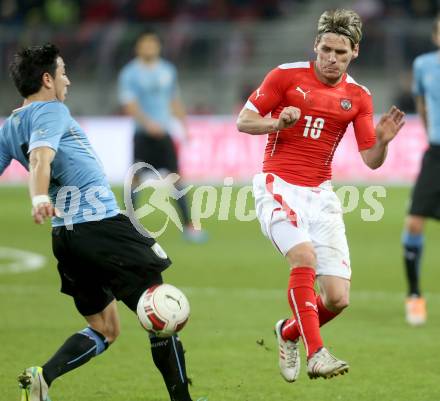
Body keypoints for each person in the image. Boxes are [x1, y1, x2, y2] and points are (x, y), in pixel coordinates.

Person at [0, 44, 194, 401]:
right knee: (160, 305)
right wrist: (40, 196)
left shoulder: (11, 126)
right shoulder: (51, 110)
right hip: (102, 225)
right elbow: (42, 158)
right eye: (62, 73)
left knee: (105, 328)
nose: (68, 81)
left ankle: (44, 376)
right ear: (47, 79)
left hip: (67, 238)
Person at [237, 9, 405, 381]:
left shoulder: (358, 96)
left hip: (321, 195)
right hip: (277, 185)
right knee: (303, 257)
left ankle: (288, 332)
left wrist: (384, 142)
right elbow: (244, 121)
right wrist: (275, 122)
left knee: (337, 298)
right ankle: (317, 354)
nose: (331, 58)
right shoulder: (285, 76)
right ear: (316, 45)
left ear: (355, 52)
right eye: (326, 49)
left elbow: (371, 160)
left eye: (340, 53)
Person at [118, 29, 207, 243]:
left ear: (157, 47)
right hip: (143, 134)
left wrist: (184, 125)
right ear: (138, 48)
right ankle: (126, 226)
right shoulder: (130, 73)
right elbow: (129, 105)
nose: (149, 47)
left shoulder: (168, 70)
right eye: (145, 44)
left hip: (164, 134)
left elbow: (174, 100)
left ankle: (190, 227)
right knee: (136, 179)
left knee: (177, 178)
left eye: (152, 44)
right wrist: (148, 124)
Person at [402, 15, 440, 326]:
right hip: (436, 154)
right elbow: (422, 103)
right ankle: (414, 296)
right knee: (414, 223)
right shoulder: (423, 65)